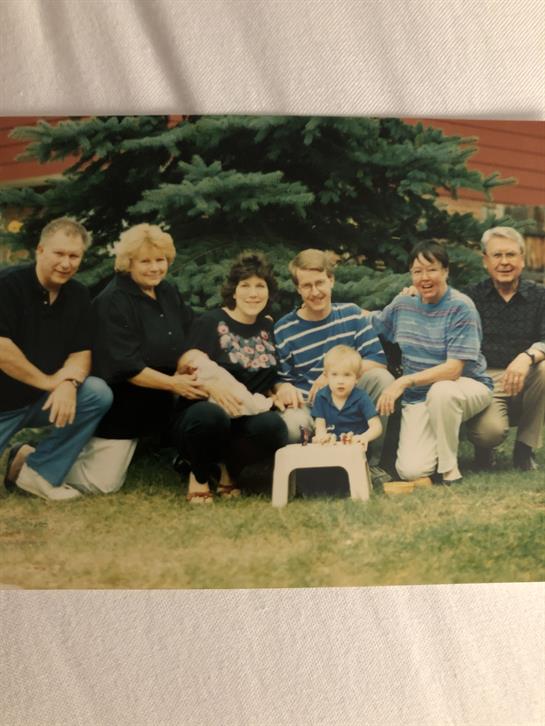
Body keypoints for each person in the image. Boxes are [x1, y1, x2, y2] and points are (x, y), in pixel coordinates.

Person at [61, 222, 207, 494]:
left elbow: (191, 329)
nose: (155, 268)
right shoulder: (113, 301)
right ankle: (30, 460)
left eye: (160, 260)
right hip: (121, 406)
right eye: (145, 261)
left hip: (162, 403)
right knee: (102, 485)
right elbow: (126, 366)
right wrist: (175, 384)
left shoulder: (166, 291)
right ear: (128, 263)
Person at [0, 217, 113, 500]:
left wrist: (69, 383)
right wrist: (51, 382)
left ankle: (39, 474)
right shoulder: (7, 286)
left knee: (96, 393)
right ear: (40, 251)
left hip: (40, 401)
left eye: (74, 256)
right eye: (59, 253)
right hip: (3, 403)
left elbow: (81, 352)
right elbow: (2, 350)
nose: (66, 263)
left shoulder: (77, 294)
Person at [372, 240, 493, 485]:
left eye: (432, 269)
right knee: (411, 471)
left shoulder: (461, 307)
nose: (424, 277)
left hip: (466, 386)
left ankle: (450, 471)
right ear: (411, 275)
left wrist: (405, 381)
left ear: (446, 271)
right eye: (417, 271)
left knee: (442, 391)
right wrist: (336, 310)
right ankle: (436, 450)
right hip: (418, 397)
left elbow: (454, 369)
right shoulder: (403, 304)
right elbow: (374, 323)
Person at [272, 248, 393, 481]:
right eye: (307, 286)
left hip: (351, 402)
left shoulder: (352, 315)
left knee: (383, 380)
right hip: (310, 405)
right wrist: (281, 387)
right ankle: (310, 474)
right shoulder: (284, 329)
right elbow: (280, 379)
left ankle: (369, 464)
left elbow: (378, 361)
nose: (315, 292)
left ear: (331, 280)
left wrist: (329, 377)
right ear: (298, 288)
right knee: (290, 423)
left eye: (320, 282)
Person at [181, 251, 289, 501]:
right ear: (234, 290)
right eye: (246, 285)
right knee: (210, 416)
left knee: (273, 428)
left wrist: (280, 387)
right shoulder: (210, 322)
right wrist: (211, 387)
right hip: (202, 413)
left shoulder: (267, 327)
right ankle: (197, 474)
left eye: (260, 286)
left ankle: (229, 468)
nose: (253, 293)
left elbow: (269, 374)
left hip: (245, 416)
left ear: (268, 291)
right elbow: (185, 367)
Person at [463, 227, 545, 471]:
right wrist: (413, 292)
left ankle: (524, 449)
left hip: (527, 376)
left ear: (522, 258)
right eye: (497, 255)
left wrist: (526, 357)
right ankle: (484, 449)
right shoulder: (470, 297)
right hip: (486, 380)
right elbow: (436, 303)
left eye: (511, 255)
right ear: (485, 261)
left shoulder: (540, 295)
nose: (505, 262)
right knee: (489, 433)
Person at [311, 345, 382, 449]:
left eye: (347, 375)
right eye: (334, 374)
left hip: (355, 447)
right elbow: (320, 425)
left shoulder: (361, 397)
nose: (340, 381)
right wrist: (321, 436)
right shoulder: (321, 396)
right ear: (326, 376)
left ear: (357, 378)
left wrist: (364, 437)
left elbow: (377, 426)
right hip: (330, 446)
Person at [177, 349, 273, 415]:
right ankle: (266, 402)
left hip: (233, 390)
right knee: (249, 402)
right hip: (222, 402)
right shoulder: (200, 366)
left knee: (245, 398)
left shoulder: (210, 365)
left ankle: (264, 403)